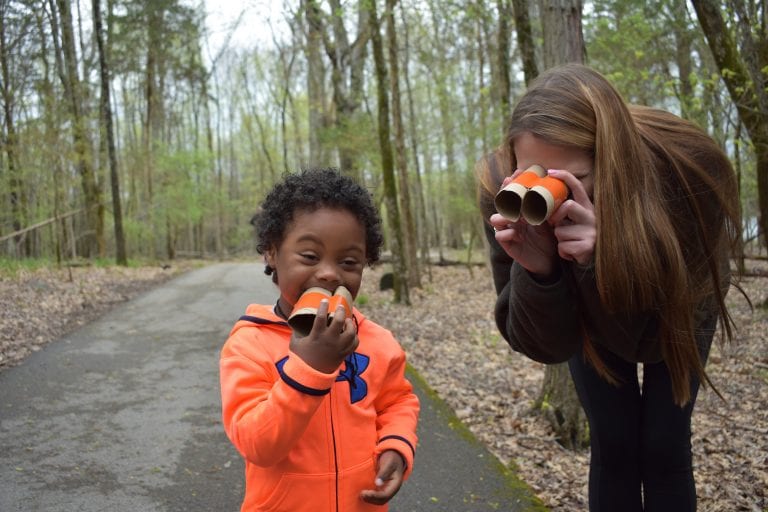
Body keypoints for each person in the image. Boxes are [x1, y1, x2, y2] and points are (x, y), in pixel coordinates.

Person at [476, 63, 741, 511]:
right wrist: (542, 273)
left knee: (664, 443)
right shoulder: (502, 186)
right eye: (536, 176)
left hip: (679, 297)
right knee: (614, 441)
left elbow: (652, 345)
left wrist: (604, 259)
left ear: (612, 160)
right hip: (583, 299)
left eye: (572, 181)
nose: (550, 197)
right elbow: (543, 343)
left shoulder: (689, 169)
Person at [220, 167, 419, 512]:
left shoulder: (376, 341)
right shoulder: (249, 345)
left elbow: (397, 402)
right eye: (310, 256)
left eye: (348, 261)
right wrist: (308, 370)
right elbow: (257, 444)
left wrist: (396, 446)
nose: (329, 272)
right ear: (271, 252)